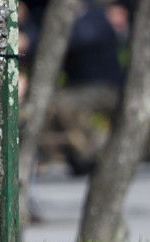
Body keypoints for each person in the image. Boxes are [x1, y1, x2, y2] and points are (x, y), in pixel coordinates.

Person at [49, 0, 128, 176]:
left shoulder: (94, 17)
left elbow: (78, 40)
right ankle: (80, 154)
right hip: (81, 88)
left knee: (62, 103)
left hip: (104, 87)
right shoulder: (74, 17)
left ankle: (93, 147)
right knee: (49, 106)